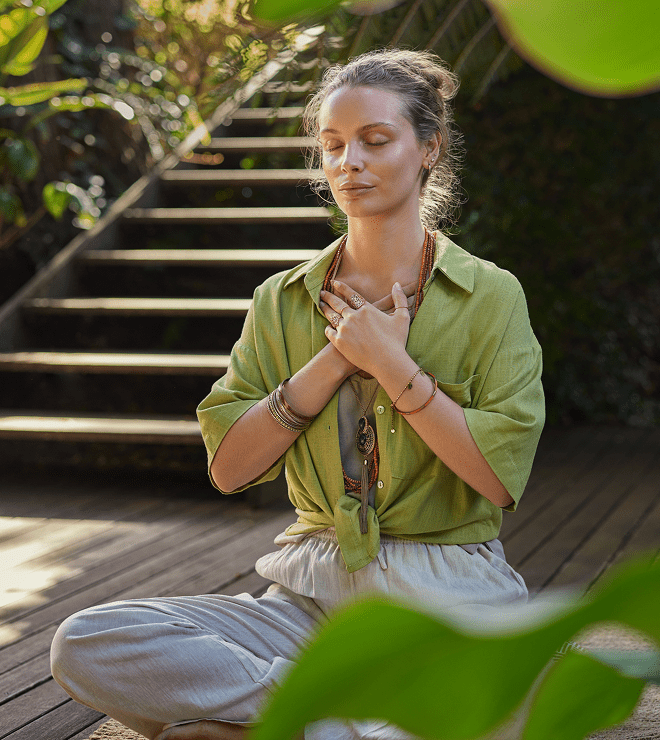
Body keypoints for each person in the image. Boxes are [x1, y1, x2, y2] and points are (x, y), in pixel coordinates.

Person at [50, 49, 545, 740]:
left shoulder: (490, 296)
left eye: (376, 141)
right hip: (307, 602)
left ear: (428, 148)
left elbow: (496, 478)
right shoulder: (280, 301)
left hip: (448, 600)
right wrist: (338, 360)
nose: (350, 163)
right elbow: (229, 468)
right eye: (334, 145)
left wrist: (395, 368)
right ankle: (329, 716)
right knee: (85, 641)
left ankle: (272, 721)